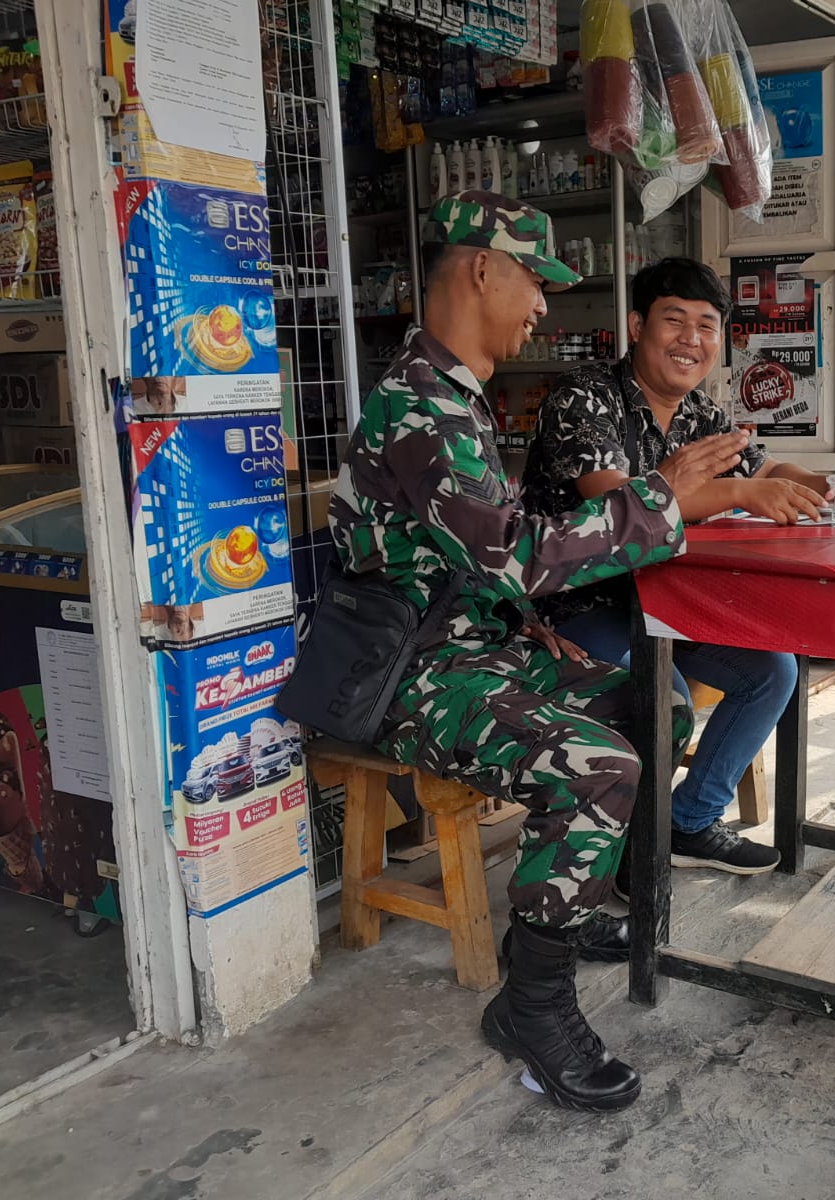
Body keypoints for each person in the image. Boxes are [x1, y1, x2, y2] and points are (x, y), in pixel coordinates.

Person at [329, 193, 749, 1113]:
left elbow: (480, 559)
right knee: (599, 767)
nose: (543, 307)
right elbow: (513, 553)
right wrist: (659, 497)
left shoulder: (454, 394)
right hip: (410, 674)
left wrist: (527, 624)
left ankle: (554, 916)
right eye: (535, 281)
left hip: (478, 645)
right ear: (484, 270)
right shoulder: (420, 405)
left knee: (655, 705)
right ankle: (535, 1008)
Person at [523, 257, 835, 878]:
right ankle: (627, 854)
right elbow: (616, 503)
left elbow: (765, 470)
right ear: (637, 326)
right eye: (674, 320)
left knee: (772, 670)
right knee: (666, 698)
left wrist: (829, 486)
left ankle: (687, 822)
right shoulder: (583, 396)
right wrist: (740, 494)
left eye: (707, 326)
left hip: (668, 601)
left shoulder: (700, 414)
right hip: (578, 605)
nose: (691, 339)